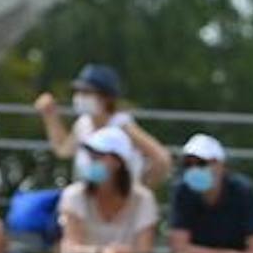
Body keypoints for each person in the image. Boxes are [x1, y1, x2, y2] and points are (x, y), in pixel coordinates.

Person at [35, 62, 171, 190]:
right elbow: (63, 150)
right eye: (78, 91)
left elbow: (162, 158)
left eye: (87, 92)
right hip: (90, 200)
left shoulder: (122, 125)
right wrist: (50, 117)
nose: (79, 97)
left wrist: (138, 189)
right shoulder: (83, 123)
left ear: (107, 97)